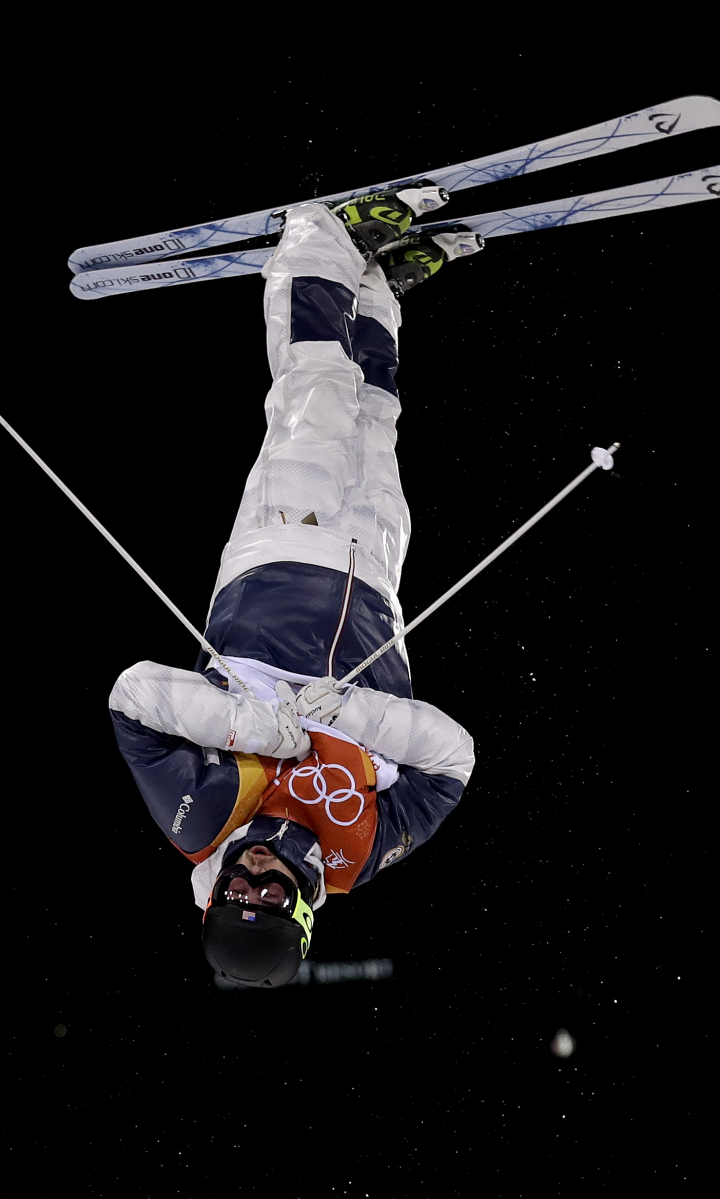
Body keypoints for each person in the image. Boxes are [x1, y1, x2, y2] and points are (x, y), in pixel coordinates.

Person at [109, 183, 482, 988]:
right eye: (270, 894)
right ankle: (374, 289)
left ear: (214, 899)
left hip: (278, 561)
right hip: (374, 580)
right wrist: (351, 712)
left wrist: (258, 728)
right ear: (302, 907)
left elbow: (133, 696)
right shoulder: (366, 850)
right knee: (374, 424)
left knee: (312, 400)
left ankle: (316, 241)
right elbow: (452, 757)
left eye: (236, 892)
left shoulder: (200, 817)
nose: (255, 875)